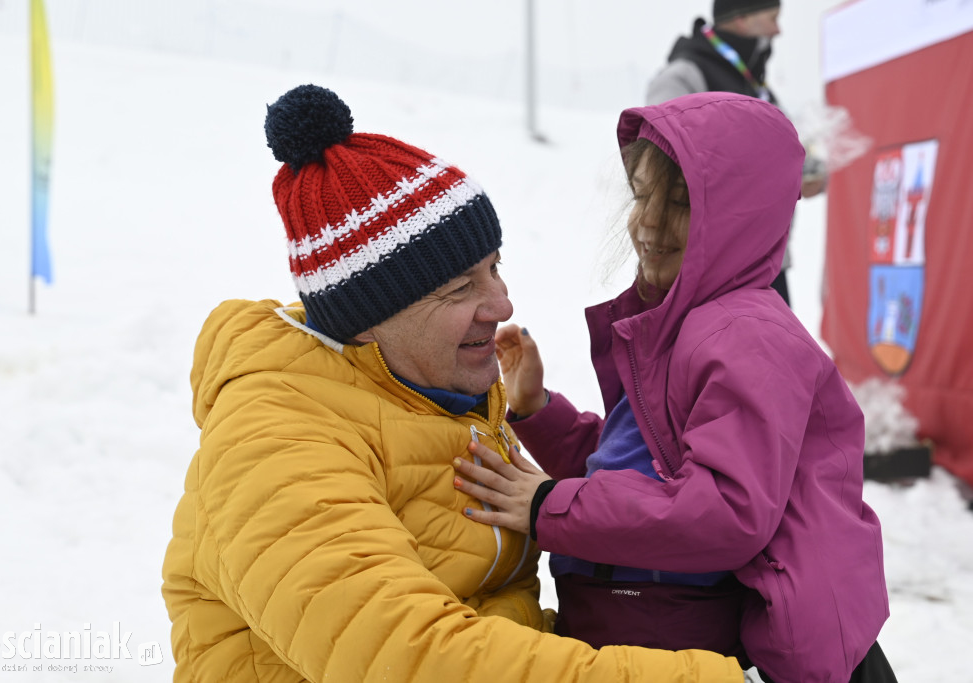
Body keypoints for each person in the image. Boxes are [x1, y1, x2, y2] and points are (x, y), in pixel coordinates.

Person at [160, 84, 744, 682]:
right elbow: (417, 658)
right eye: (461, 287)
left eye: (495, 268)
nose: (502, 302)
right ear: (367, 319)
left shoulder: (431, 394)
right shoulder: (276, 446)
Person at [453, 92, 895, 682]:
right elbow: (647, 473)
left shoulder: (744, 337)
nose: (650, 221)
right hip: (648, 628)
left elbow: (725, 513)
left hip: (686, 638)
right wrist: (540, 413)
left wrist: (545, 505)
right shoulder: (689, 324)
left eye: (683, 202)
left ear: (744, 214)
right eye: (642, 195)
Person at [645, 0, 827, 307]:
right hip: (715, 275)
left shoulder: (754, 84)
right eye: (772, 17)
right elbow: (661, 168)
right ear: (742, 18)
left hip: (767, 266)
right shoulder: (685, 75)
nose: (778, 30)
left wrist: (801, 174)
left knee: (776, 355)